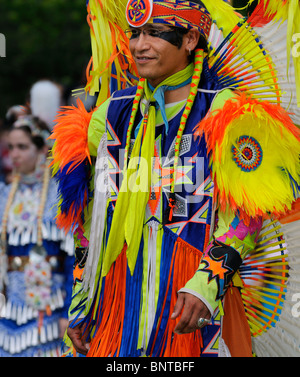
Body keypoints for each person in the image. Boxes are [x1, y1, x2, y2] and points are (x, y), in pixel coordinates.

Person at [51, 0, 300, 357]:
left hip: (190, 309)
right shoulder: (108, 116)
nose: (139, 45)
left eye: (154, 33)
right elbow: (88, 225)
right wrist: (81, 300)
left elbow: (247, 214)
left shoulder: (224, 112)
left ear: (190, 39)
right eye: (134, 34)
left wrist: (205, 286)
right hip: (113, 311)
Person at [0, 116, 74, 357]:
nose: (14, 154)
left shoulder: (60, 196)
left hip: (50, 307)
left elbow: (74, 260)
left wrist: (67, 313)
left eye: (22, 147)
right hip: (9, 307)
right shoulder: (4, 195)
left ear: (43, 148)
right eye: (10, 147)